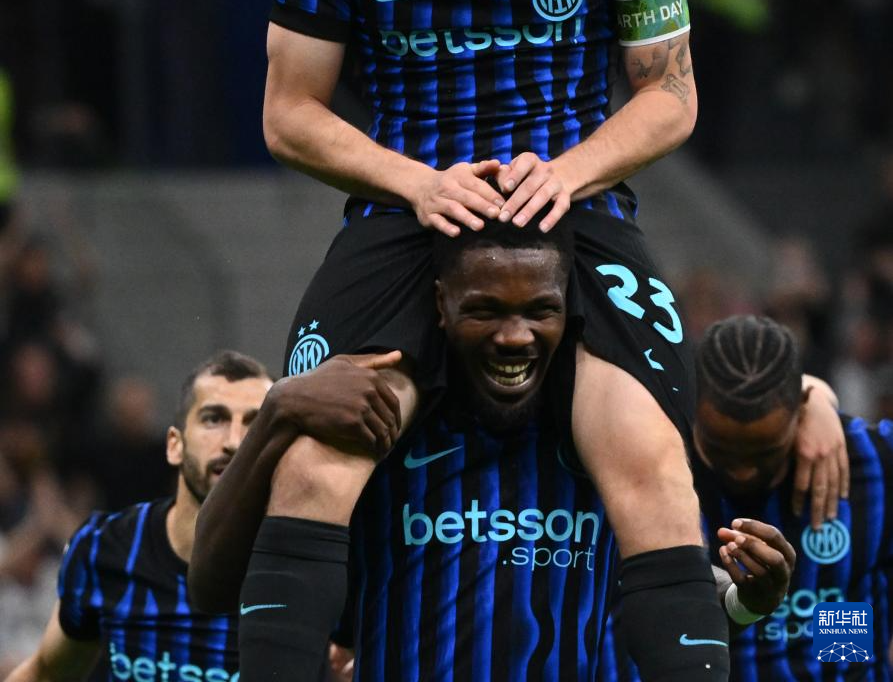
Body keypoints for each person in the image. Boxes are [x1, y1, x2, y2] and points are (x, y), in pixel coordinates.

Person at [231, 0, 838, 679]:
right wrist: (417, 183)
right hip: (406, 211)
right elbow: (288, 114)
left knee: (651, 466)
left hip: (574, 203)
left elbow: (668, 95)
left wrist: (567, 170)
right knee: (310, 466)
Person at [192, 216, 798, 679]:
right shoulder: (374, 431)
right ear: (440, 307)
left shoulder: (617, 443)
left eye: (539, 310)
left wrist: (750, 605)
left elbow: (674, 596)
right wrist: (275, 412)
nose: (514, 336)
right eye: (485, 310)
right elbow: (216, 586)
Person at [602, 314, 893, 681]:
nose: (743, 472)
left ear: (801, 408)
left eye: (765, 453)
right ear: (691, 402)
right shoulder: (647, 469)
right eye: (720, 449)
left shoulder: (873, 461)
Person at [3, 350, 272, 682]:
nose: (234, 442)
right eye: (214, 419)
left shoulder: (299, 565)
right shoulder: (105, 548)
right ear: (174, 445)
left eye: (254, 424)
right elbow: (47, 672)